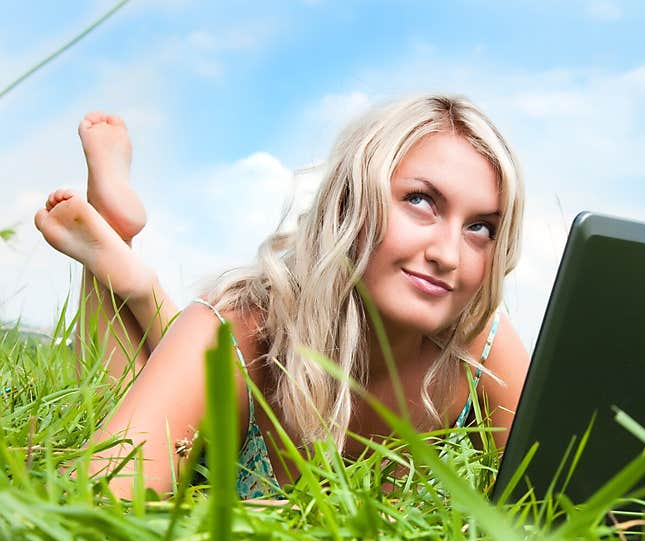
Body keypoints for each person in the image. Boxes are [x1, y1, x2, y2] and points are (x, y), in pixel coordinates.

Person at [34, 94, 530, 501]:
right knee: (113, 390)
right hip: (234, 345)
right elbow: (100, 511)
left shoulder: (478, 345)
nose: (449, 255)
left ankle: (138, 283)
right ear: (348, 202)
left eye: (481, 227)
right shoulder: (232, 333)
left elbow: (572, 509)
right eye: (420, 201)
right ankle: (123, 265)